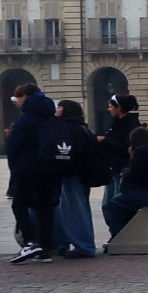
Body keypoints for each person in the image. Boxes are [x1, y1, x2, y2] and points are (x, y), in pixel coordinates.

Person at [5, 83, 61, 264]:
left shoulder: (26, 119)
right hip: (50, 169)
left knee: (19, 205)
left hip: (27, 169)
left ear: (25, 97)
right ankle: (44, 248)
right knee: (45, 208)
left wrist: (14, 167)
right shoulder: (51, 117)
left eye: (17, 98)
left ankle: (30, 242)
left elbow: (14, 146)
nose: (16, 102)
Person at [52, 100, 103, 258]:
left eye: (60, 107)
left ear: (66, 110)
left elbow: (68, 153)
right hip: (81, 174)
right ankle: (78, 243)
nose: (57, 109)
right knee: (77, 208)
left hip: (72, 174)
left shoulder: (69, 129)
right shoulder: (82, 127)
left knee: (74, 210)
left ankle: (84, 246)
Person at [96, 94, 142, 211]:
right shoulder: (117, 123)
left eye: (111, 106)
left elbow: (126, 147)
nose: (109, 109)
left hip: (121, 168)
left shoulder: (131, 126)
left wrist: (105, 140)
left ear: (119, 108)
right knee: (108, 206)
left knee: (116, 205)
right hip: (113, 168)